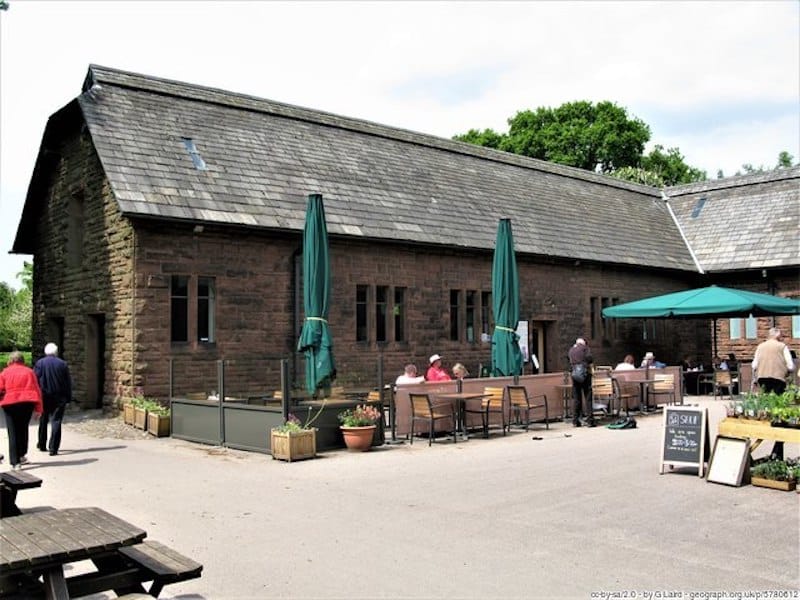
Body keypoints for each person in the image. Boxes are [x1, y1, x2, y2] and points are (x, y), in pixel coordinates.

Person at [0, 351, 44, 470]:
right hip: (27, 402)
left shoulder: (5, 372)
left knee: (12, 432)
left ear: (11, 360)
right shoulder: (29, 372)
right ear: (22, 360)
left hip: (9, 404)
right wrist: (39, 409)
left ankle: (15, 462)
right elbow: (37, 390)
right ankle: (21, 454)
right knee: (23, 428)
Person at [34, 342, 73, 456]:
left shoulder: (40, 363)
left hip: (44, 396)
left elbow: (35, 380)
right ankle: (53, 448)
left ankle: (42, 444)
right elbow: (67, 383)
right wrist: (68, 397)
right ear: (56, 352)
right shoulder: (62, 364)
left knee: (43, 419)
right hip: (59, 397)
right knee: (56, 421)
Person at [752, 327, 795, 394]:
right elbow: (790, 364)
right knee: (779, 399)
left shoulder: (760, 346)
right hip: (778, 377)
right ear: (778, 336)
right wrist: (790, 370)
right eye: (781, 336)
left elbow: (754, 365)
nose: (781, 338)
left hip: (762, 376)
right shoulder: (782, 346)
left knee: (766, 398)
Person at [568, 338, 595, 427]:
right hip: (585, 374)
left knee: (577, 398)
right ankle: (590, 420)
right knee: (588, 397)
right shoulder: (585, 348)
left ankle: (575, 421)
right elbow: (590, 358)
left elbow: (569, 362)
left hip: (574, 375)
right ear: (583, 343)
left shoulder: (571, 350)